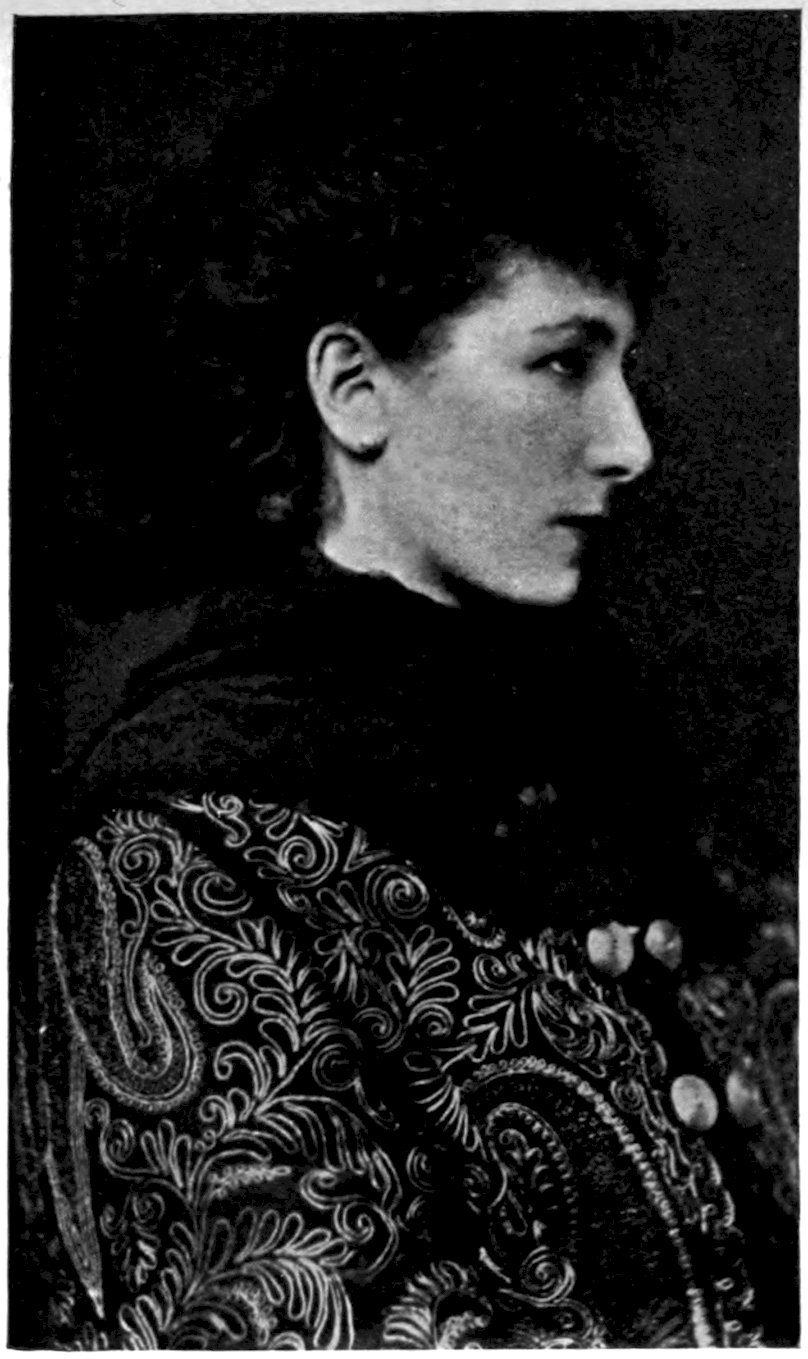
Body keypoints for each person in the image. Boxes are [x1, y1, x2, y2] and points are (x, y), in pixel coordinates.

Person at [15, 132, 793, 1349]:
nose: (629, 444)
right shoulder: (175, 857)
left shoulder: (619, 766)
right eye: (562, 362)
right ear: (352, 388)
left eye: (622, 367)